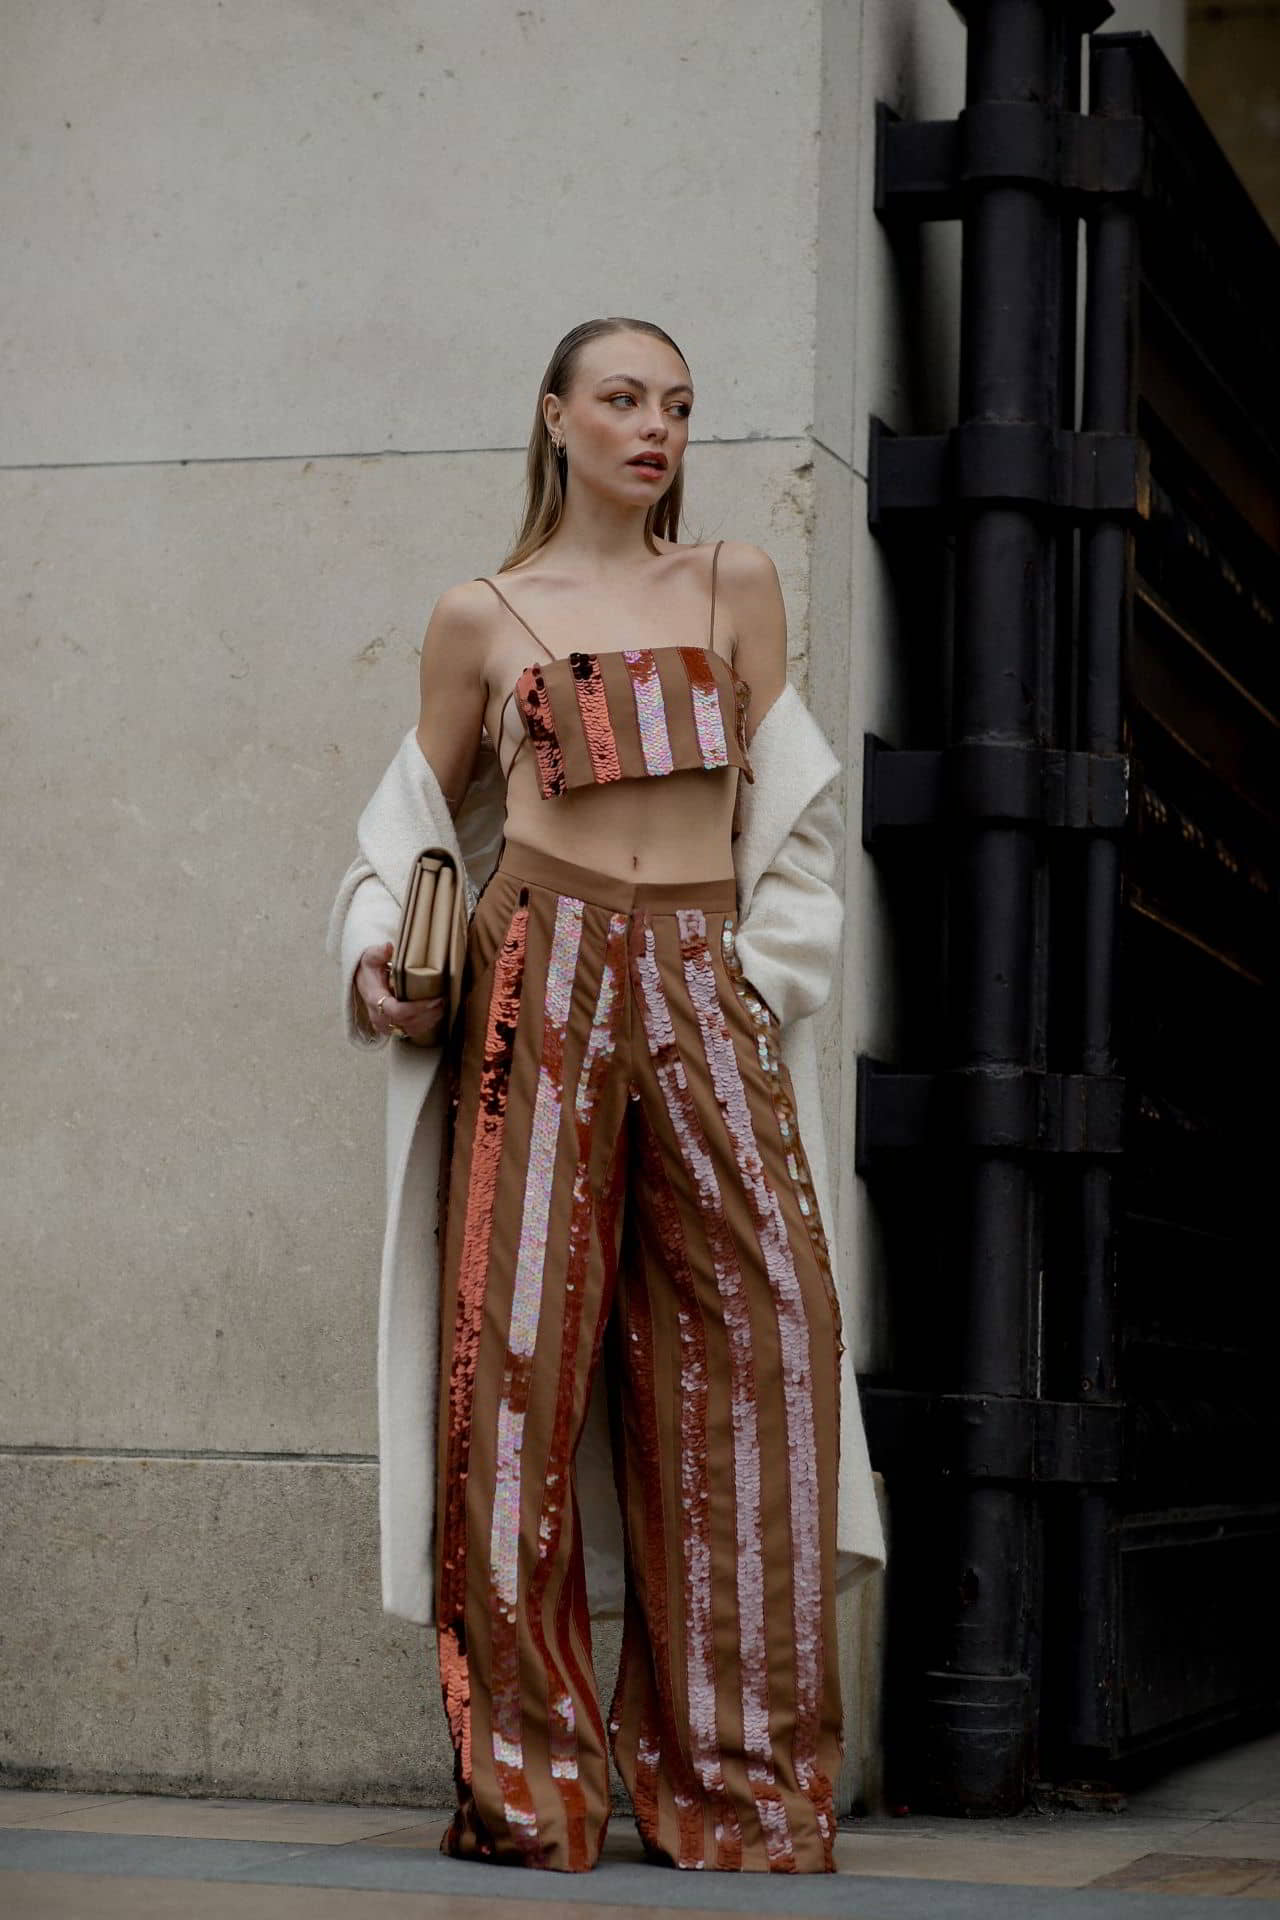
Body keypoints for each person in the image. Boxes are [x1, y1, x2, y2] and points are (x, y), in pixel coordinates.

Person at [333, 316, 885, 1875]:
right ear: (557, 416)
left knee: (772, 1353)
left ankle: (746, 1791)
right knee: (511, 1377)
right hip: (538, 985)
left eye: (681, 406)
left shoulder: (734, 585)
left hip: (706, 985)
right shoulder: (481, 614)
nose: (658, 427)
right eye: (627, 399)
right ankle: (530, 1786)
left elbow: (794, 820)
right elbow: (402, 832)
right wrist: (387, 959)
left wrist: (755, 981)